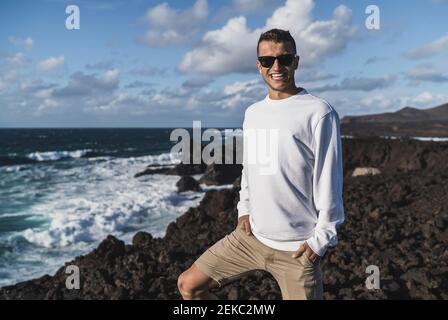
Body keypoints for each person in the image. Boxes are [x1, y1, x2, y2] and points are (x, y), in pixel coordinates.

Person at [177, 28, 345, 300]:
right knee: (189, 285)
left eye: (284, 59)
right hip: (250, 238)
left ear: (296, 62)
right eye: (267, 60)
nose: (276, 66)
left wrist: (321, 239)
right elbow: (251, 166)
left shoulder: (319, 112)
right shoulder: (253, 112)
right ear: (259, 65)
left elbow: (330, 178)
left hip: (298, 249)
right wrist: (244, 207)